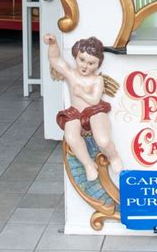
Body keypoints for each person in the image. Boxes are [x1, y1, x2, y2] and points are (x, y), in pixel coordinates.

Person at [44, 34, 123, 181]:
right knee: (71, 137)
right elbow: (55, 60)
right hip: (75, 113)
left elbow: (94, 101)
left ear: (98, 64)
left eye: (91, 63)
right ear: (75, 56)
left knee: (103, 140)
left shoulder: (97, 80)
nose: (85, 66)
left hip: (94, 111)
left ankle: (113, 156)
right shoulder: (71, 74)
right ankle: (88, 164)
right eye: (82, 60)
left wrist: (81, 93)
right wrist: (53, 43)